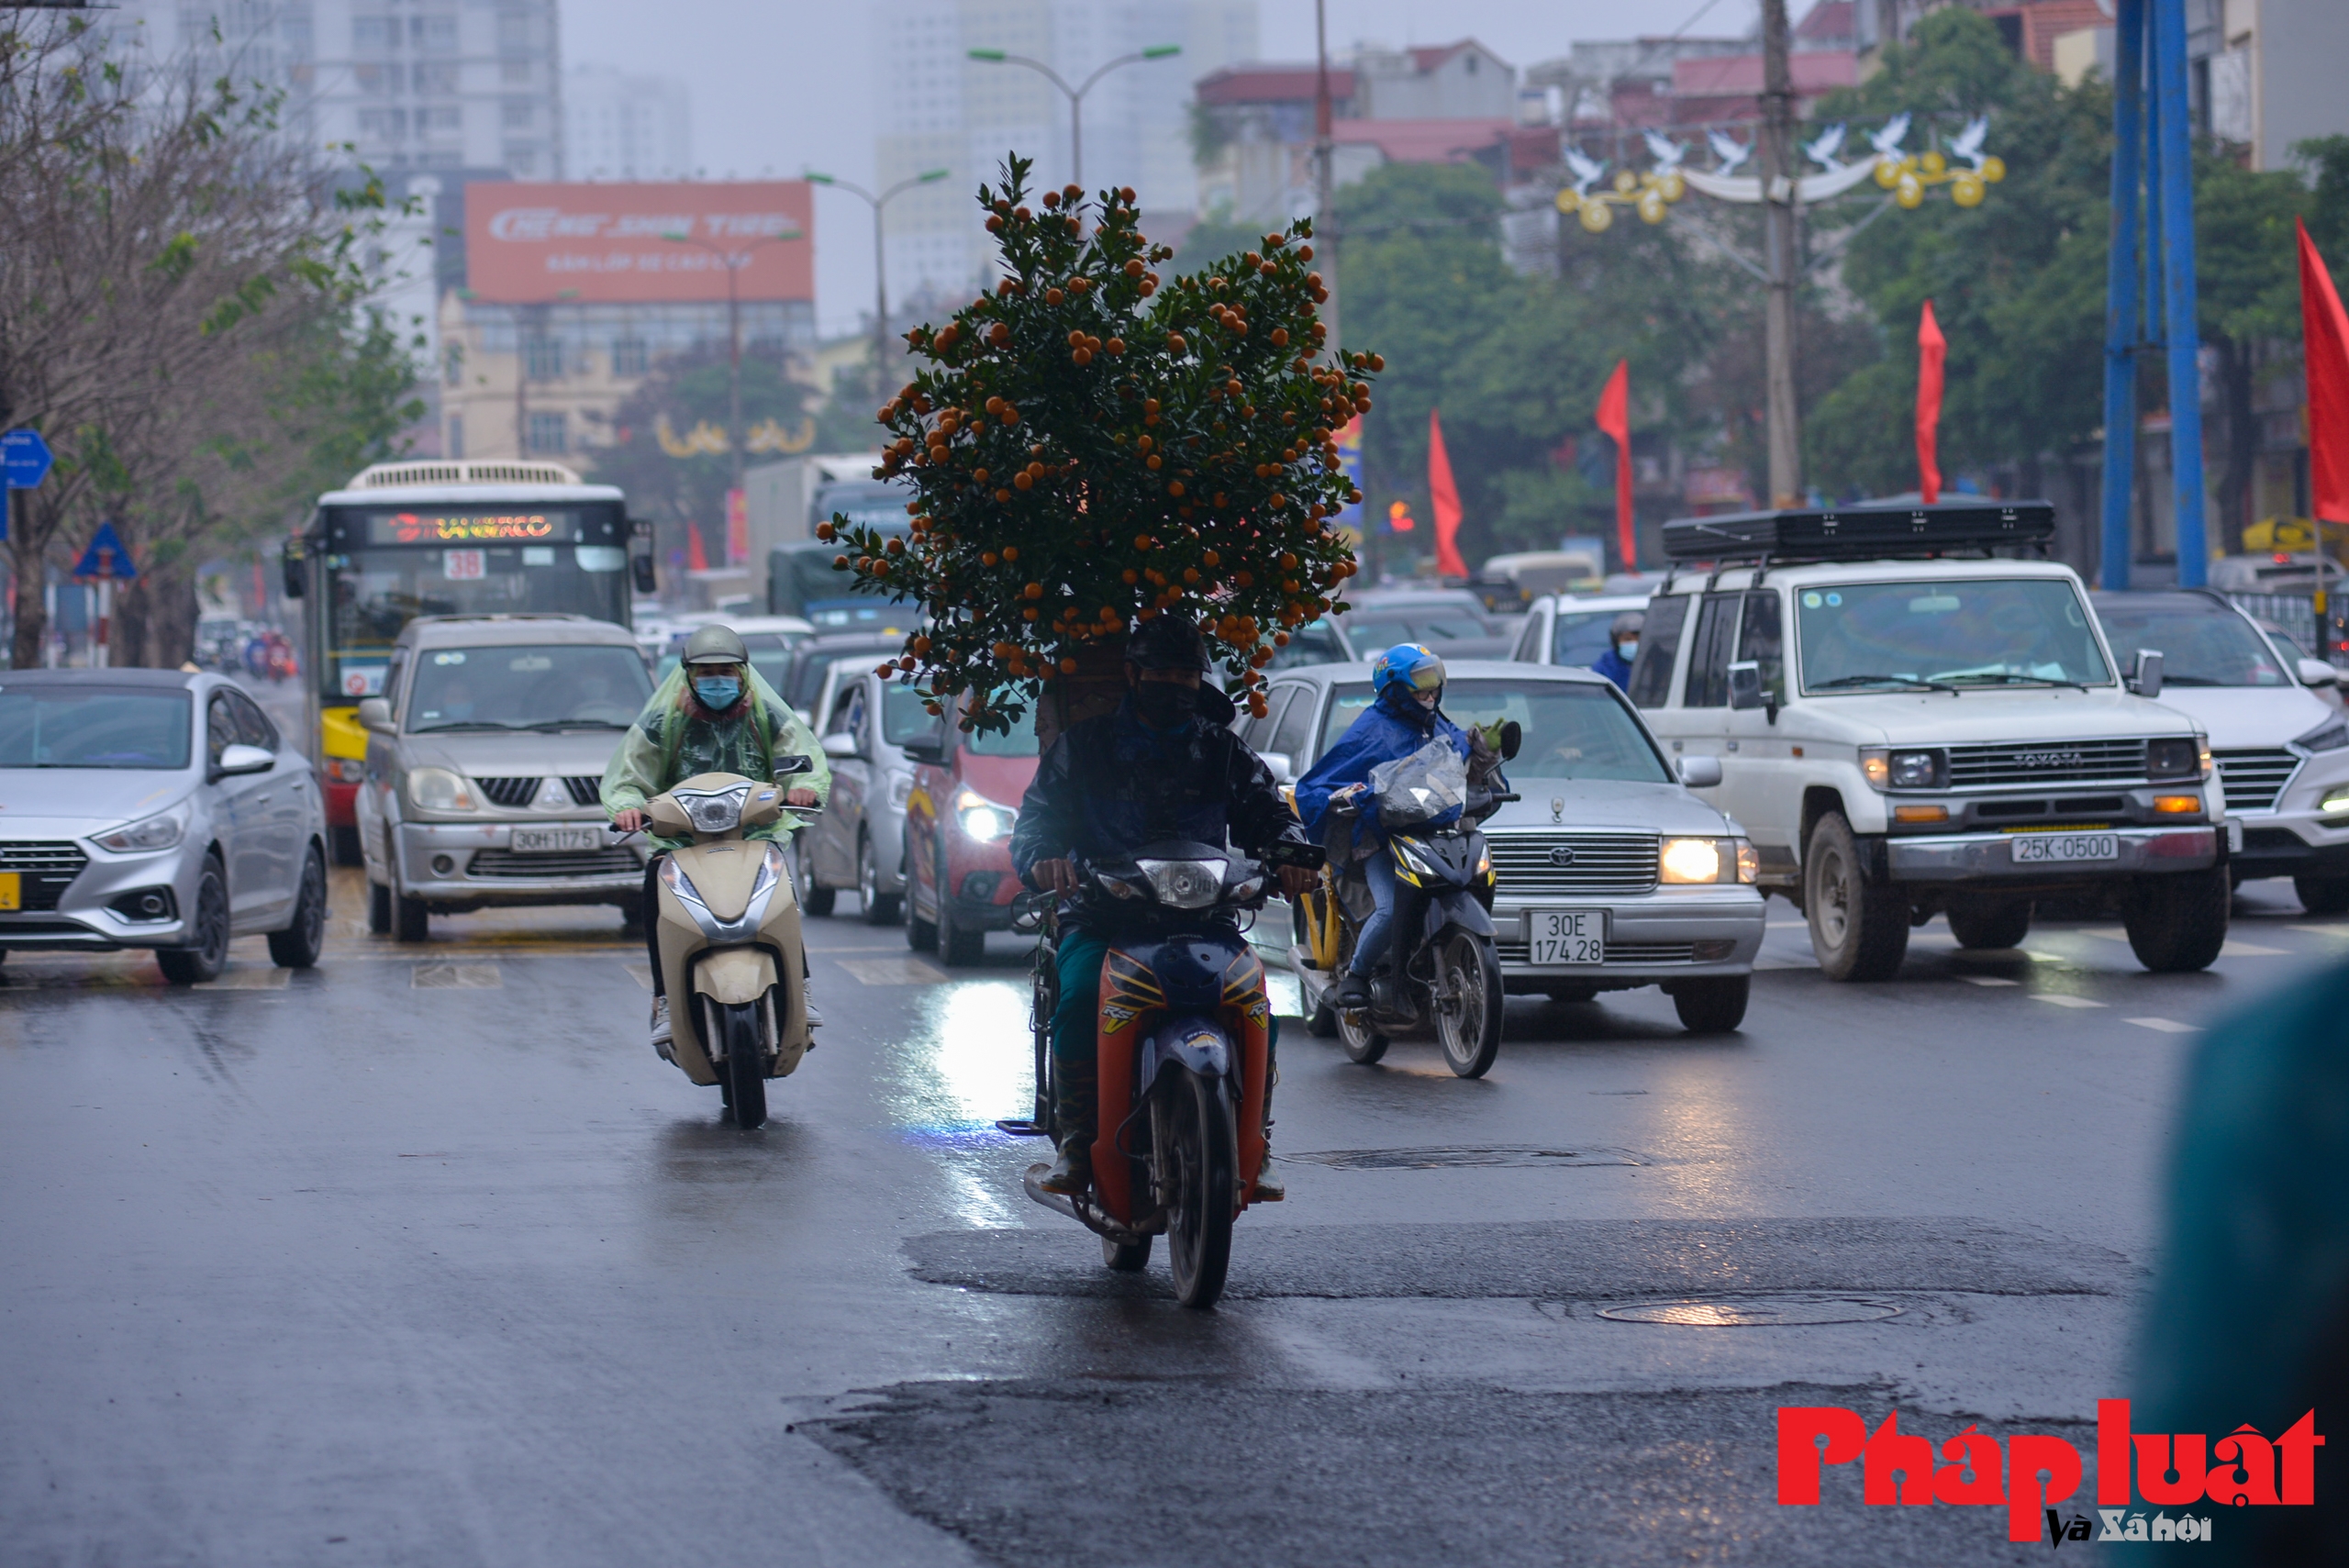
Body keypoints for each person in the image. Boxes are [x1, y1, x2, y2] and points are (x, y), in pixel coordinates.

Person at [1010, 613, 1316, 1200]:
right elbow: (1036, 823)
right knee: (1076, 999)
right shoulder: (1084, 747)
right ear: (1133, 674)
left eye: (1186, 674)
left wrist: (1292, 855)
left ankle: (1260, 1141)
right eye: (1163, 672)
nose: (1175, 684)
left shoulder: (1222, 750)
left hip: (1207, 923)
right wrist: (1045, 858)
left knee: (1258, 1006)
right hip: (1103, 917)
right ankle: (1077, 1139)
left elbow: (1272, 817)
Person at [603, 624, 830, 1055]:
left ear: (744, 673)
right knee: (654, 884)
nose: (717, 679)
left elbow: (802, 759)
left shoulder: (767, 716)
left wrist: (804, 787)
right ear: (687, 674)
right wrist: (628, 807)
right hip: (680, 843)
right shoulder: (662, 722)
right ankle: (665, 997)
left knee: (781, 893)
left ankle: (800, 984)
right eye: (706, 672)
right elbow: (628, 777)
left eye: (726, 670)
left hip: (754, 833)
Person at [1292, 643, 1472, 1014]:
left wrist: (1481, 749)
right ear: (1395, 687)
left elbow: (1457, 755)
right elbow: (1318, 786)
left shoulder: (1436, 722)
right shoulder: (1369, 730)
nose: (1432, 690)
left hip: (1433, 837)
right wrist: (1348, 797)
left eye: (1436, 678)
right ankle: (1357, 974)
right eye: (1422, 681)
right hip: (1381, 842)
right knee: (1389, 909)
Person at [1592, 610, 1643, 692]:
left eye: (1639, 639)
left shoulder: (1657, 663)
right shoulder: (1605, 667)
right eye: (1627, 639)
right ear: (1616, 642)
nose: (1634, 643)